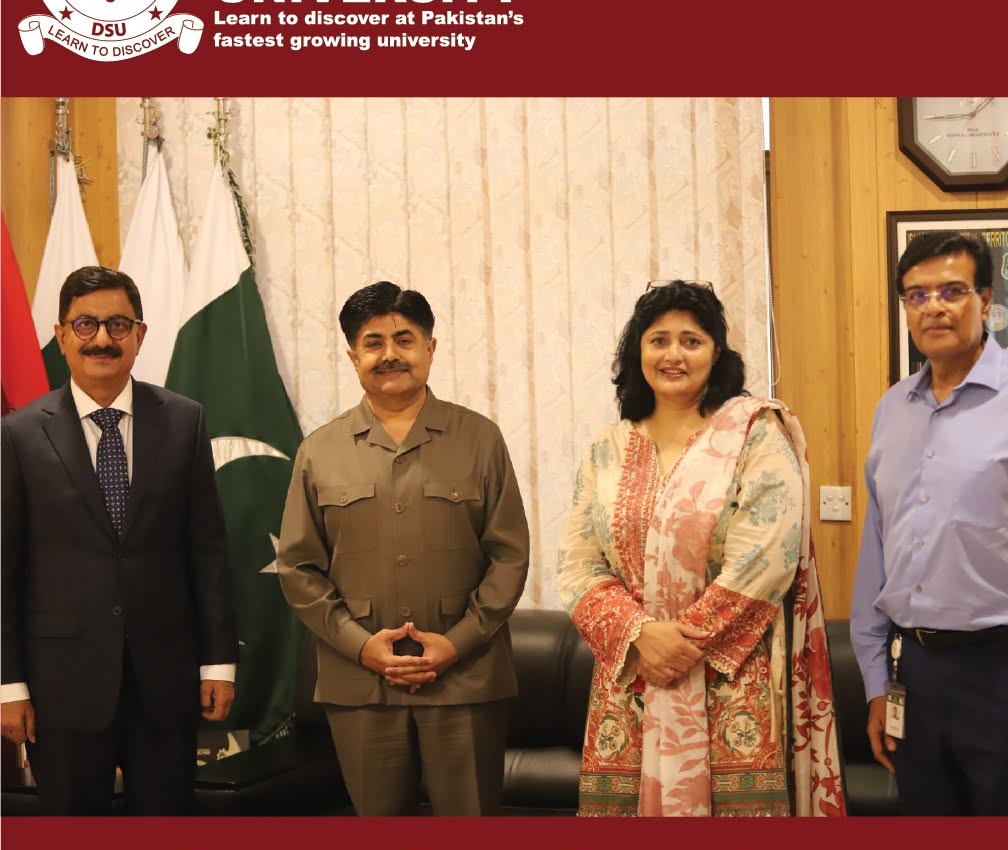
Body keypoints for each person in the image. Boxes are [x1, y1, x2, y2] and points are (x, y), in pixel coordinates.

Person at [557, 279, 845, 817]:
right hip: (630, 680)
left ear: (717, 353)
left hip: (731, 682)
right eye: (658, 340)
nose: (674, 354)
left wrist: (679, 645)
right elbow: (577, 565)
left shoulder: (754, 436)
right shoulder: (606, 449)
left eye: (691, 341)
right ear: (638, 352)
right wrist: (640, 636)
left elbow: (768, 556)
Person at [277, 281, 529, 816]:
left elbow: (509, 556)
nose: (389, 354)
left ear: (430, 348)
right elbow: (298, 568)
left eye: (404, 339)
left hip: (466, 678)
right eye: (373, 343)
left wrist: (457, 643)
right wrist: (360, 645)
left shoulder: (479, 439)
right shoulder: (319, 451)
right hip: (360, 684)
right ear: (353, 357)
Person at [851, 231, 1008, 815]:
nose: (934, 307)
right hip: (912, 672)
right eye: (917, 294)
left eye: (951, 291)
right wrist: (876, 681)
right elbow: (877, 549)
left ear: (985, 300)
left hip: (1006, 670)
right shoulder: (892, 408)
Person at [1, 266, 236, 815]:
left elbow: (208, 552)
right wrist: (9, 685)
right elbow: (5, 569)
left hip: (166, 677)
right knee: (75, 843)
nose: (102, 339)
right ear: (61, 336)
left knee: (166, 836)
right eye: (85, 325)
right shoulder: (17, 434)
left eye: (118, 325)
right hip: (61, 685)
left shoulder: (184, 421)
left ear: (140, 335)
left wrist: (218, 665)